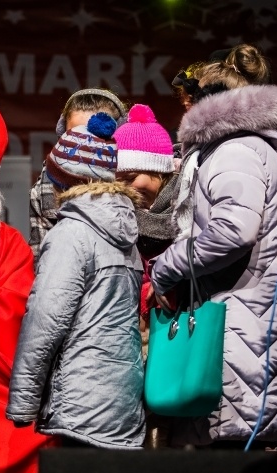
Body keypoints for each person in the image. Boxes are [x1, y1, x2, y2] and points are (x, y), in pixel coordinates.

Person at [149, 43, 277, 449]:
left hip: (237, 325)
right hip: (238, 319)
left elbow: (233, 231)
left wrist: (164, 268)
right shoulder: (248, 148)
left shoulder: (236, 151)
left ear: (206, 105)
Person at [7, 112, 145, 449]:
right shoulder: (127, 233)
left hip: (81, 402)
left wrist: (23, 401)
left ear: (65, 181)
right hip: (123, 402)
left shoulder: (71, 234)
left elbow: (46, 319)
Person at [113, 103, 180, 448]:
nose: (122, 187)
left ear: (158, 172)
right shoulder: (115, 216)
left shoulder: (188, 210)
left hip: (177, 336)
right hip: (130, 340)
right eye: (117, 178)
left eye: (130, 176)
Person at [29, 87, 128, 264]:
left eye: (94, 134)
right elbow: (41, 255)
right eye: (75, 134)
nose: (85, 142)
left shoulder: (133, 178)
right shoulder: (46, 186)